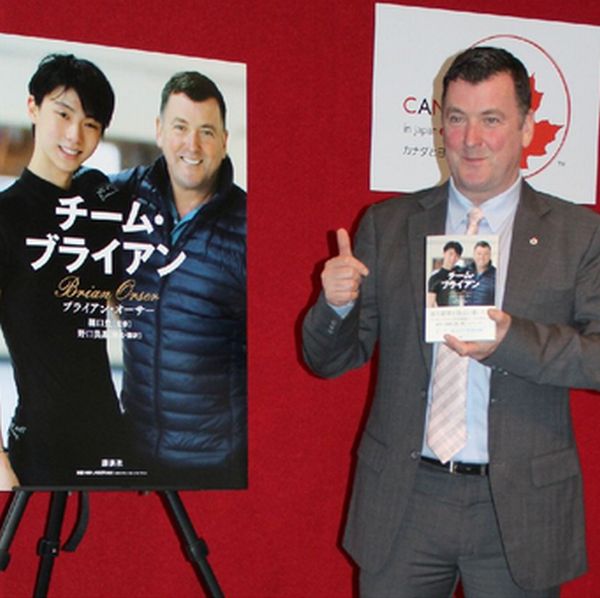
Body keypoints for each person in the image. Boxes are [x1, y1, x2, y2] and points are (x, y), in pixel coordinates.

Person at [303, 46, 600, 596]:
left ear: (527, 127)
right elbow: (328, 359)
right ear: (440, 124)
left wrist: (512, 340)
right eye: (458, 118)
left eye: (492, 119)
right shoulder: (388, 225)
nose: (471, 139)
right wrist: (336, 305)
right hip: (406, 499)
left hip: (517, 508)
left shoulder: (578, 235)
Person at [111, 72, 247, 488]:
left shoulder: (251, 226)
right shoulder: (121, 199)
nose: (192, 145)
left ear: (224, 140)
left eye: (206, 131)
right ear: (159, 131)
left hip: (215, 464)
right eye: (180, 127)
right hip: (134, 454)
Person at [0, 54, 123, 488]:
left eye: (91, 124)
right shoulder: (6, 216)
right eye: (63, 114)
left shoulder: (100, 210)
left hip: (112, 444)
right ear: (33, 108)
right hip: (39, 451)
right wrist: (1, 466)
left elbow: (134, 308)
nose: (75, 135)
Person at [426, 240, 463, 307]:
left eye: (457, 256)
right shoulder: (435, 278)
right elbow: (430, 303)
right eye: (450, 254)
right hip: (443, 312)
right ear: (444, 253)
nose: (453, 258)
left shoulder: (460, 275)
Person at [464, 240, 496, 306]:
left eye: (486, 254)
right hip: (465, 311)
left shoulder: (497, 276)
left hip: (486, 312)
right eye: (479, 254)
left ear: (490, 256)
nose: (482, 257)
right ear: (474, 255)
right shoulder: (464, 273)